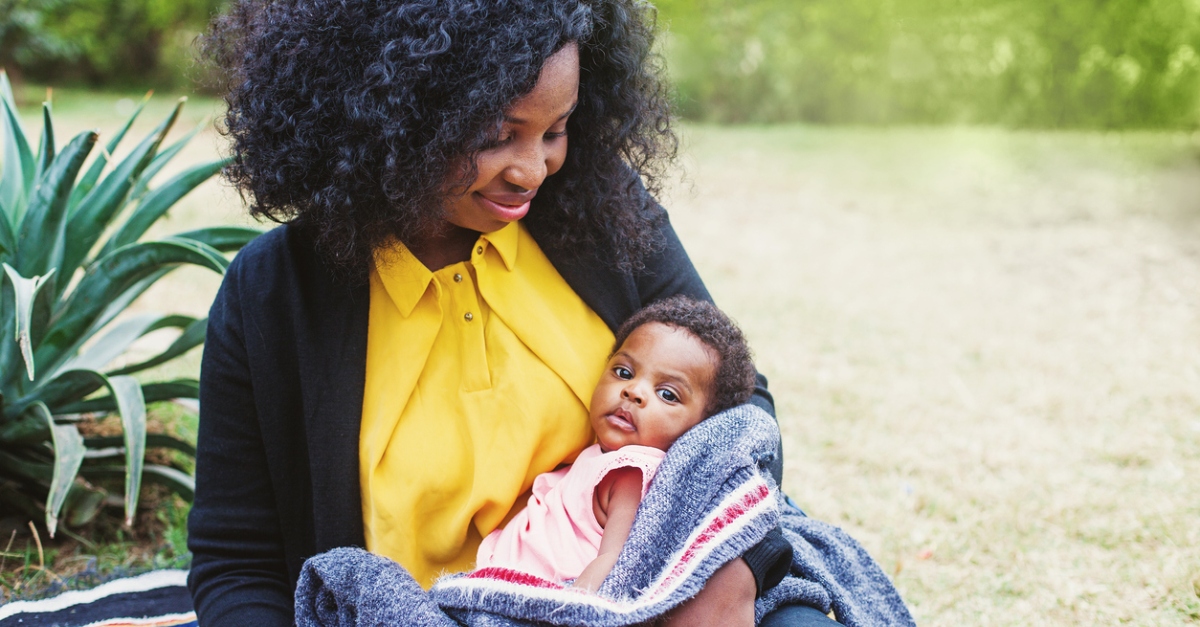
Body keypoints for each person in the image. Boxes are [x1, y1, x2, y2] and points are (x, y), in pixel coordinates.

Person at [189, 1, 837, 625]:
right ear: (395, 116)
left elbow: (738, 404)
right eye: (497, 136)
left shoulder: (599, 208)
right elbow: (238, 562)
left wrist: (735, 570)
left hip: (661, 585)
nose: (533, 170)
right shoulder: (273, 295)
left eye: (556, 129)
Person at [475, 296, 758, 600]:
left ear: (701, 427)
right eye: (624, 372)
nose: (633, 391)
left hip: (541, 601)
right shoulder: (606, 456)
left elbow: (615, 559)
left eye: (667, 394)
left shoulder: (630, 471)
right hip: (507, 588)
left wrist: (574, 613)